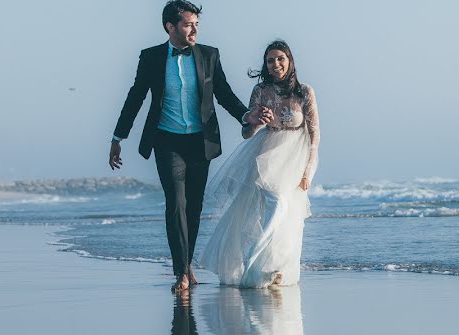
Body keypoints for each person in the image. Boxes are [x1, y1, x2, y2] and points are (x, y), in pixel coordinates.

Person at [109, 1, 267, 292]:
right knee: (176, 204)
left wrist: (247, 115)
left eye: (196, 24)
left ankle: (187, 262)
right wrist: (118, 138)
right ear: (170, 27)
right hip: (166, 140)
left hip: (200, 141)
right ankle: (180, 271)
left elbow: (223, 93)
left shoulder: (209, 55)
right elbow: (136, 97)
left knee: (194, 207)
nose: (194, 29)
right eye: (187, 24)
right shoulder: (151, 58)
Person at [198, 40, 320, 288]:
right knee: (271, 205)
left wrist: (308, 172)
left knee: (289, 217)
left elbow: (315, 135)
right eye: (270, 60)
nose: (276, 64)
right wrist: (257, 123)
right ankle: (253, 257)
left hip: (293, 160)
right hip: (265, 156)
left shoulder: (305, 92)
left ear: (290, 60)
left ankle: (271, 268)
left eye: (280, 59)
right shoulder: (261, 91)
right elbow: (247, 133)